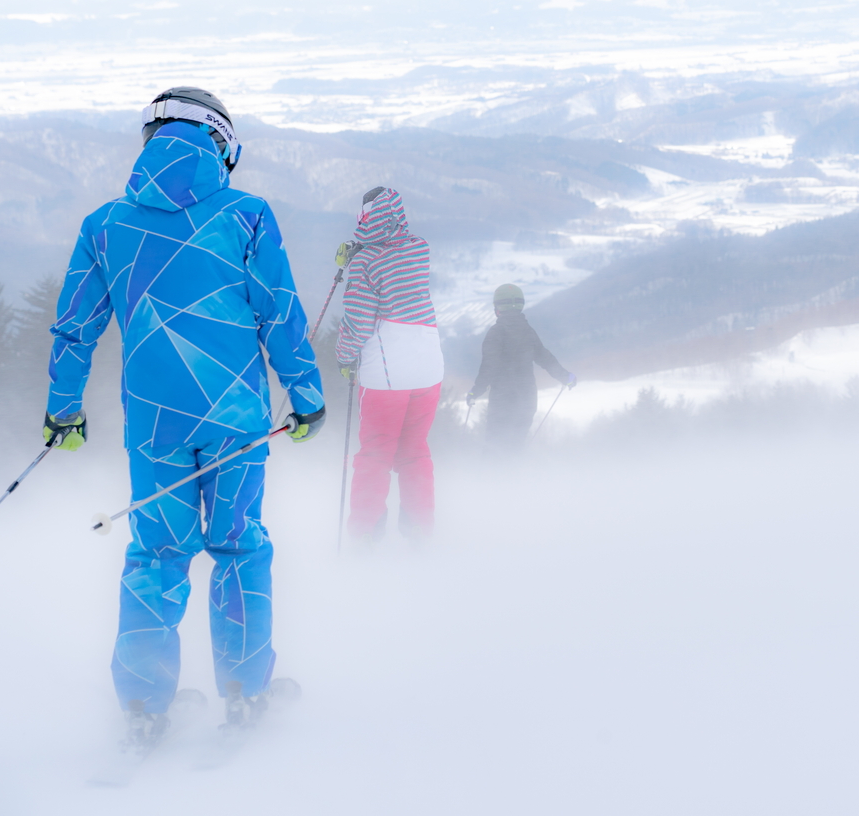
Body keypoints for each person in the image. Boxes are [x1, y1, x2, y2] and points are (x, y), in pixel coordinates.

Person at [44, 87, 325, 746]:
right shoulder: (246, 214)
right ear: (221, 144)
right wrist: (305, 395)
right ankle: (246, 693)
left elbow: (74, 329)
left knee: (156, 554)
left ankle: (143, 704)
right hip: (235, 418)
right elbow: (278, 313)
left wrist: (65, 411)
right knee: (238, 546)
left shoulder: (104, 225)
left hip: (154, 425)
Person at [335, 187, 443, 541]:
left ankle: (363, 536)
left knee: (376, 454)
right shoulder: (419, 247)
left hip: (387, 372)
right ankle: (420, 533)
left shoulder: (366, 263)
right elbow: (394, 253)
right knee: (414, 452)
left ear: (367, 217)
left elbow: (359, 322)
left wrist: (345, 357)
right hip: (429, 366)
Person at [466, 283, 576, 449]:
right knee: (515, 447)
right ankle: (515, 474)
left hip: (503, 400)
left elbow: (489, 366)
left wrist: (475, 391)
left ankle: (492, 475)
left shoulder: (495, 333)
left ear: (498, 307)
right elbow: (545, 358)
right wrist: (565, 376)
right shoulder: (528, 331)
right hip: (527, 399)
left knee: (495, 448)